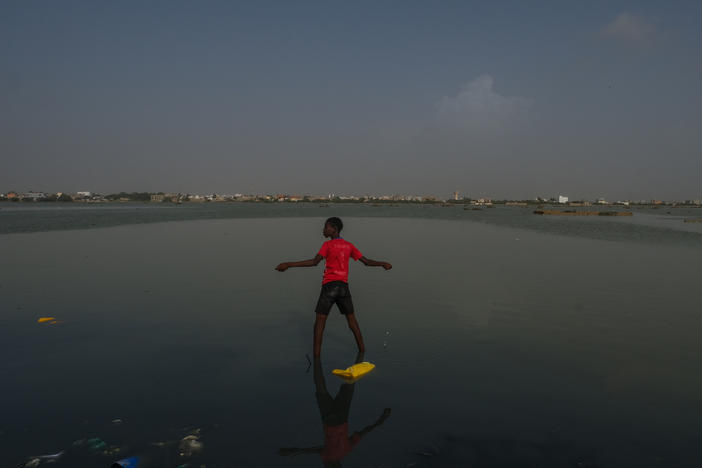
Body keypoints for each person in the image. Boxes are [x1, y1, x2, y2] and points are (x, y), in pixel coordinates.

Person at [275, 217, 392, 356]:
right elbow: (366, 262)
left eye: (326, 227)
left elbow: (314, 262)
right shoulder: (349, 245)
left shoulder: (327, 245)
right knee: (352, 322)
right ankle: (362, 351)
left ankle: (316, 357)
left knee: (319, 324)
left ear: (334, 229)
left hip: (329, 288)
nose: (323, 230)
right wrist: (383, 263)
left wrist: (288, 264)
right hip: (343, 288)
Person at [278, 353, 392, 467]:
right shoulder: (327, 456)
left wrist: (380, 421)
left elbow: (363, 433)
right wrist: (296, 451)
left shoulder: (344, 451)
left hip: (340, 418)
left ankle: (357, 361)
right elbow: (315, 450)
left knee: (349, 384)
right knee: (320, 387)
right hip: (329, 419)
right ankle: (317, 363)